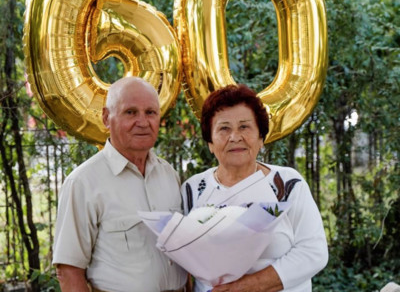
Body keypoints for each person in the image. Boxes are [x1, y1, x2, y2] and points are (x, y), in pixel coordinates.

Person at [182, 84, 328, 292]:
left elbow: (314, 252)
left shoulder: (287, 185)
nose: (235, 137)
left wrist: (245, 287)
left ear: (261, 138)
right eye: (224, 128)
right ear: (210, 143)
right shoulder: (192, 190)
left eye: (244, 127)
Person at [53, 76, 188, 292]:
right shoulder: (83, 183)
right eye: (130, 112)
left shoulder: (168, 173)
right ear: (107, 118)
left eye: (150, 112)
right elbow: (69, 271)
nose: (143, 122)